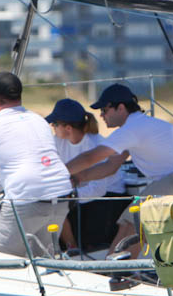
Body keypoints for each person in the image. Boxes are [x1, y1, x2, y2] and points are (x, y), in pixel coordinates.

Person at [65, 83, 173, 258]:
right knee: (128, 221)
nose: (101, 115)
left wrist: (59, 173)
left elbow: (91, 157)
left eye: (104, 110)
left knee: (135, 220)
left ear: (121, 108)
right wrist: (79, 177)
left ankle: (119, 270)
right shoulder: (137, 125)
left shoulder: (132, 128)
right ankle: (115, 267)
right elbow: (110, 166)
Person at [0, 72, 73, 257]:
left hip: (26, 199)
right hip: (61, 195)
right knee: (43, 260)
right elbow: (27, 163)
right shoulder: (39, 120)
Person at [46, 98, 127, 252]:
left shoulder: (95, 144)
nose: (52, 127)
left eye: (54, 124)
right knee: (52, 206)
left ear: (68, 128)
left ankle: (82, 250)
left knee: (89, 235)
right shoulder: (58, 141)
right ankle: (71, 247)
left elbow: (98, 189)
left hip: (107, 197)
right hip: (80, 194)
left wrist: (70, 196)